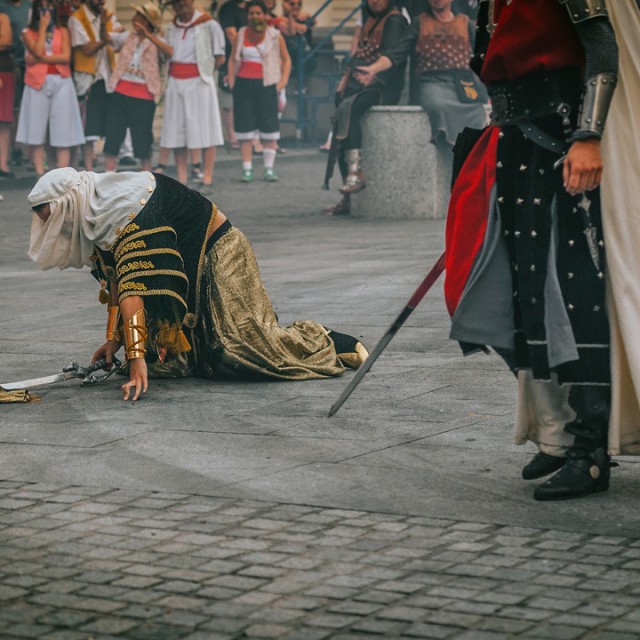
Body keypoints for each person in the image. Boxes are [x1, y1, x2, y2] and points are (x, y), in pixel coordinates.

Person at [444, 0, 618, 500]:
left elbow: (602, 50)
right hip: (516, 140)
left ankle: (591, 451)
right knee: (528, 296)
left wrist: (588, 136)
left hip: (564, 141)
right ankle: (559, 436)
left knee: (575, 294)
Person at [27, 168, 369, 401]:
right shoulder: (94, 211)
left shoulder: (124, 207)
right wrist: (114, 342)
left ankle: (325, 339)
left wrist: (134, 358)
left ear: (71, 202)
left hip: (217, 250)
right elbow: (117, 278)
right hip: (183, 262)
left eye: (54, 219)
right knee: (168, 364)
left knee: (238, 348)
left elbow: (133, 291)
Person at [323, 0, 412, 216]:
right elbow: (360, 54)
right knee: (343, 109)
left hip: (382, 86)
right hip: (360, 82)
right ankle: (348, 198)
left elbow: (392, 60)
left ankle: (356, 172)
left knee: (351, 107)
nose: (375, 1)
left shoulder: (394, 21)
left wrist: (370, 77)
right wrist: (345, 79)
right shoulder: (370, 19)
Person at [410, 0, 487, 188]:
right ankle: (448, 157)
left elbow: (481, 54)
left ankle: (468, 157)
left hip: (462, 83)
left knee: (477, 110)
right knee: (437, 105)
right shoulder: (419, 22)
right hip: (432, 81)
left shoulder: (466, 23)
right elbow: (400, 51)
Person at [149, 0, 225, 190]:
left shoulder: (209, 25)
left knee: (206, 129)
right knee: (177, 130)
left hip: (200, 82)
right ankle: (182, 177)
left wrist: (204, 74)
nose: (179, 5)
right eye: (175, 3)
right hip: (176, 82)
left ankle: (206, 176)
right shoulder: (170, 28)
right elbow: (166, 54)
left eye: (182, 1)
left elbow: (220, 57)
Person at [15, 0, 84, 175]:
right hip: (37, 82)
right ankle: (40, 173)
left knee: (63, 127)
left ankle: (62, 173)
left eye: (50, 7)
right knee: (36, 128)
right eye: (43, 7)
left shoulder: (63, 31)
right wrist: (43, 28)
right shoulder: (27, 32)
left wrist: (38, 59)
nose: (47, 11)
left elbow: (65, 57)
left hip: (61, 79)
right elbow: (36, 51)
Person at [227, 0, 290, 182]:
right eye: (251, 14)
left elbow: (286, 60)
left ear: (265, 14)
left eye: (258, 13)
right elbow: (232, 59)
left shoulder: (275, 35)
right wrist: (232, 80)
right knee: (245, 128)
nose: (255, 17)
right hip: (244, 84)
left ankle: (269, 168)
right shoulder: (241, 34)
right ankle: (247, 168)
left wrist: (282, 82)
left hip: (266, 84)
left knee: (269, 127)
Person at [103, 3, 163, 174]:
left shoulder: (158, 40)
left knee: (143, 138)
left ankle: (146, 177)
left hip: (144, 94)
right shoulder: (128, 37)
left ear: (146, 20)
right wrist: (102, 24)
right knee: (113, 134)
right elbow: (107, 39)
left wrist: (149, 36)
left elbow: (168, 53)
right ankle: (109, 174)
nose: (134, 18)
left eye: (138, 15)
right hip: (121, 91)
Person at [68, 0, 126, 172]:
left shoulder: (108, 16)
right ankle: (88, 169)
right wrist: (105, 37)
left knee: (112, 124)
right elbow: (87, 48)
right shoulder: (76, 18)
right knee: (89, 128)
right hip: (88, 80)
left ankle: (110, 169)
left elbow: (121, 39)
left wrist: (107, 34)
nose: (101, 2)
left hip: (108, 77)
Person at [0, 0, 31, 167]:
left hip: (17, 65)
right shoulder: (2, 7)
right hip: (12, 62)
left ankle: (14, 151)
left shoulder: (28, 6)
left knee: (12, 112)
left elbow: (7, 40)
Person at [218, 0, 246, 150]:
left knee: (243, 98)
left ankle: (245, 133)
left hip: (248, 61)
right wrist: (246, 48)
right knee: (228, 99)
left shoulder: (253, 6)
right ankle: (231, 135)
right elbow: (231, 33)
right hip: (229, 58)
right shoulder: (228, 9)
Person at [0, 10, 14, 177]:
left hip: (4, 69)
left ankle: (2, 164)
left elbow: (7, 40)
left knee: (4, 120)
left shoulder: (3, 16)